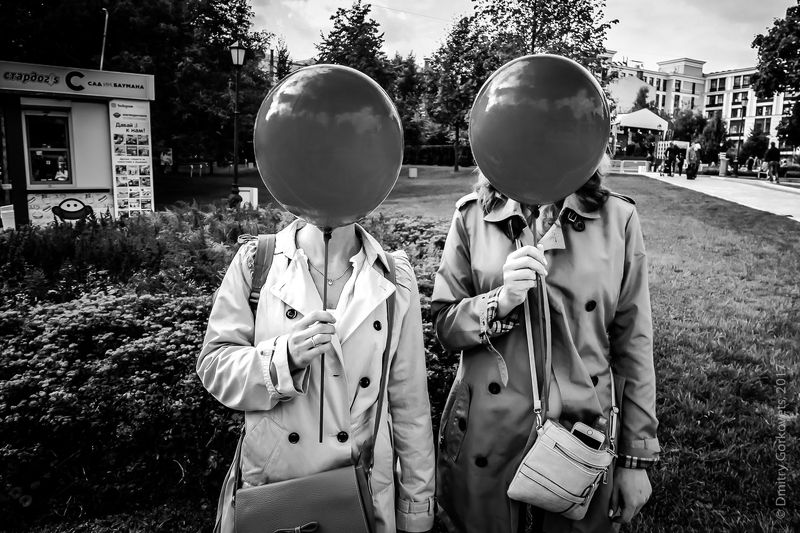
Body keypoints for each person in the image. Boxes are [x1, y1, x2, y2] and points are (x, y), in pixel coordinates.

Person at [433, 155, 659, 533]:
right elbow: (444, 326)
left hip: (582, 430)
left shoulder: (617, 218)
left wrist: (635, 459)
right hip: (489, 432)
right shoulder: (472, 216)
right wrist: (499, 301)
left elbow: (633, 341)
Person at [198, 219, 436, 533]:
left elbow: (410, 404)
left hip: (363, 489)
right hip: (276, 489)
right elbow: (215, 364)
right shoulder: (257, 261)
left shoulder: (394, 275)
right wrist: (283, 358)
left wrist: (415, 510)